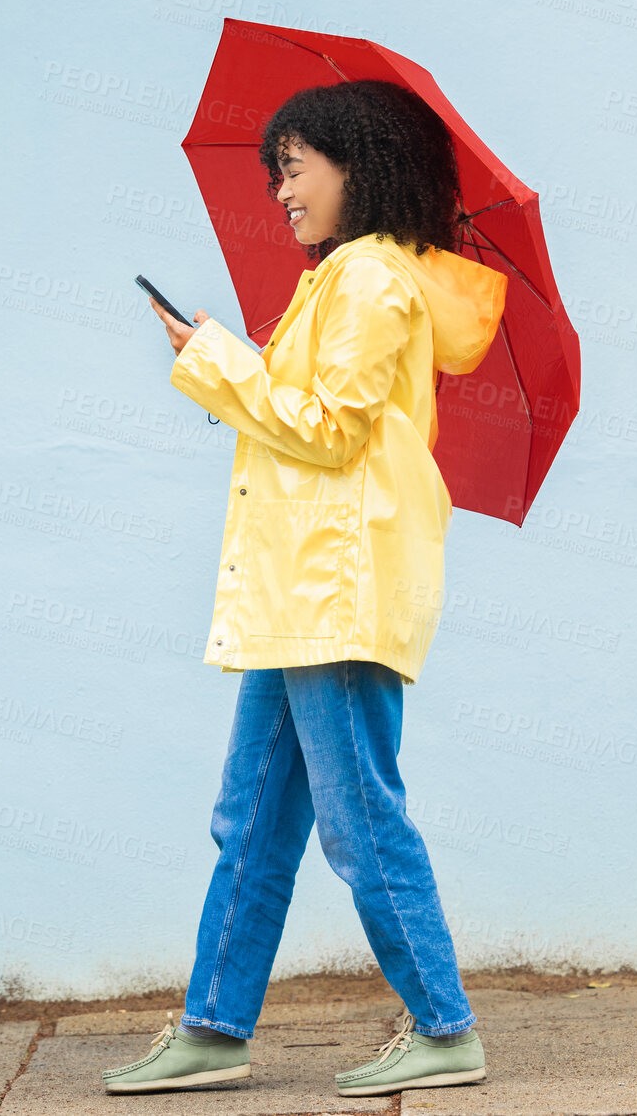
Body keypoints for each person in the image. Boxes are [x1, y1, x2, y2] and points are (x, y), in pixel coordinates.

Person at [100, 79, 508, 1099]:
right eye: (276, 171)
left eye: (294, 167)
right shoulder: (336, 283)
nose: (280, 191)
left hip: (336, 587)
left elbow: (329, 429)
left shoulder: (371, 281)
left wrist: (218, 363)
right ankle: (214, 1024)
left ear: (355, 166)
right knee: (254, 819)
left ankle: (444, 1025)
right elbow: (297, 421)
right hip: (298, 594)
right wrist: (218, 362)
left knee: (358, 818)